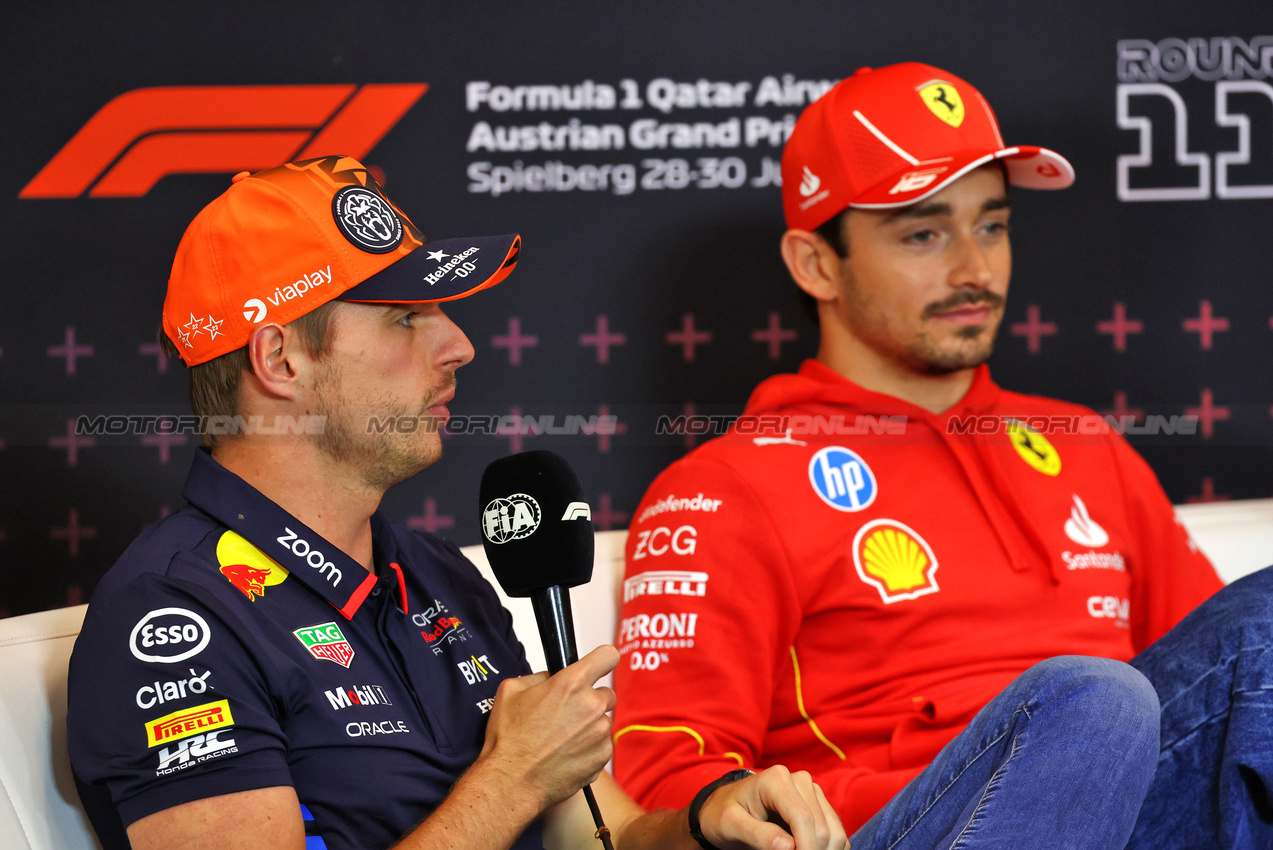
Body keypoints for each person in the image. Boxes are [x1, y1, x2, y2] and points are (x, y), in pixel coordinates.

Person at [65, 155, 850, 850]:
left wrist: (713, 822)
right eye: (406, 318)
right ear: (280, 358)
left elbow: (598, 834)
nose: (459, 346)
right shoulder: (173, 618)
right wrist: (510, 780)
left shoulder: (433, 572)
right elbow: (519, 787)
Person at [612, 63, 1273, 847]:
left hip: (1132, 816)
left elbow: (1225, 692)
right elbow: (665, 780)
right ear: (815, 263)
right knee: (1088, 698)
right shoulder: (725, 486)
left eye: (990, 225)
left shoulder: (1085, 446)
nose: (974, 269)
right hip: (907, 831)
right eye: (922, 233)